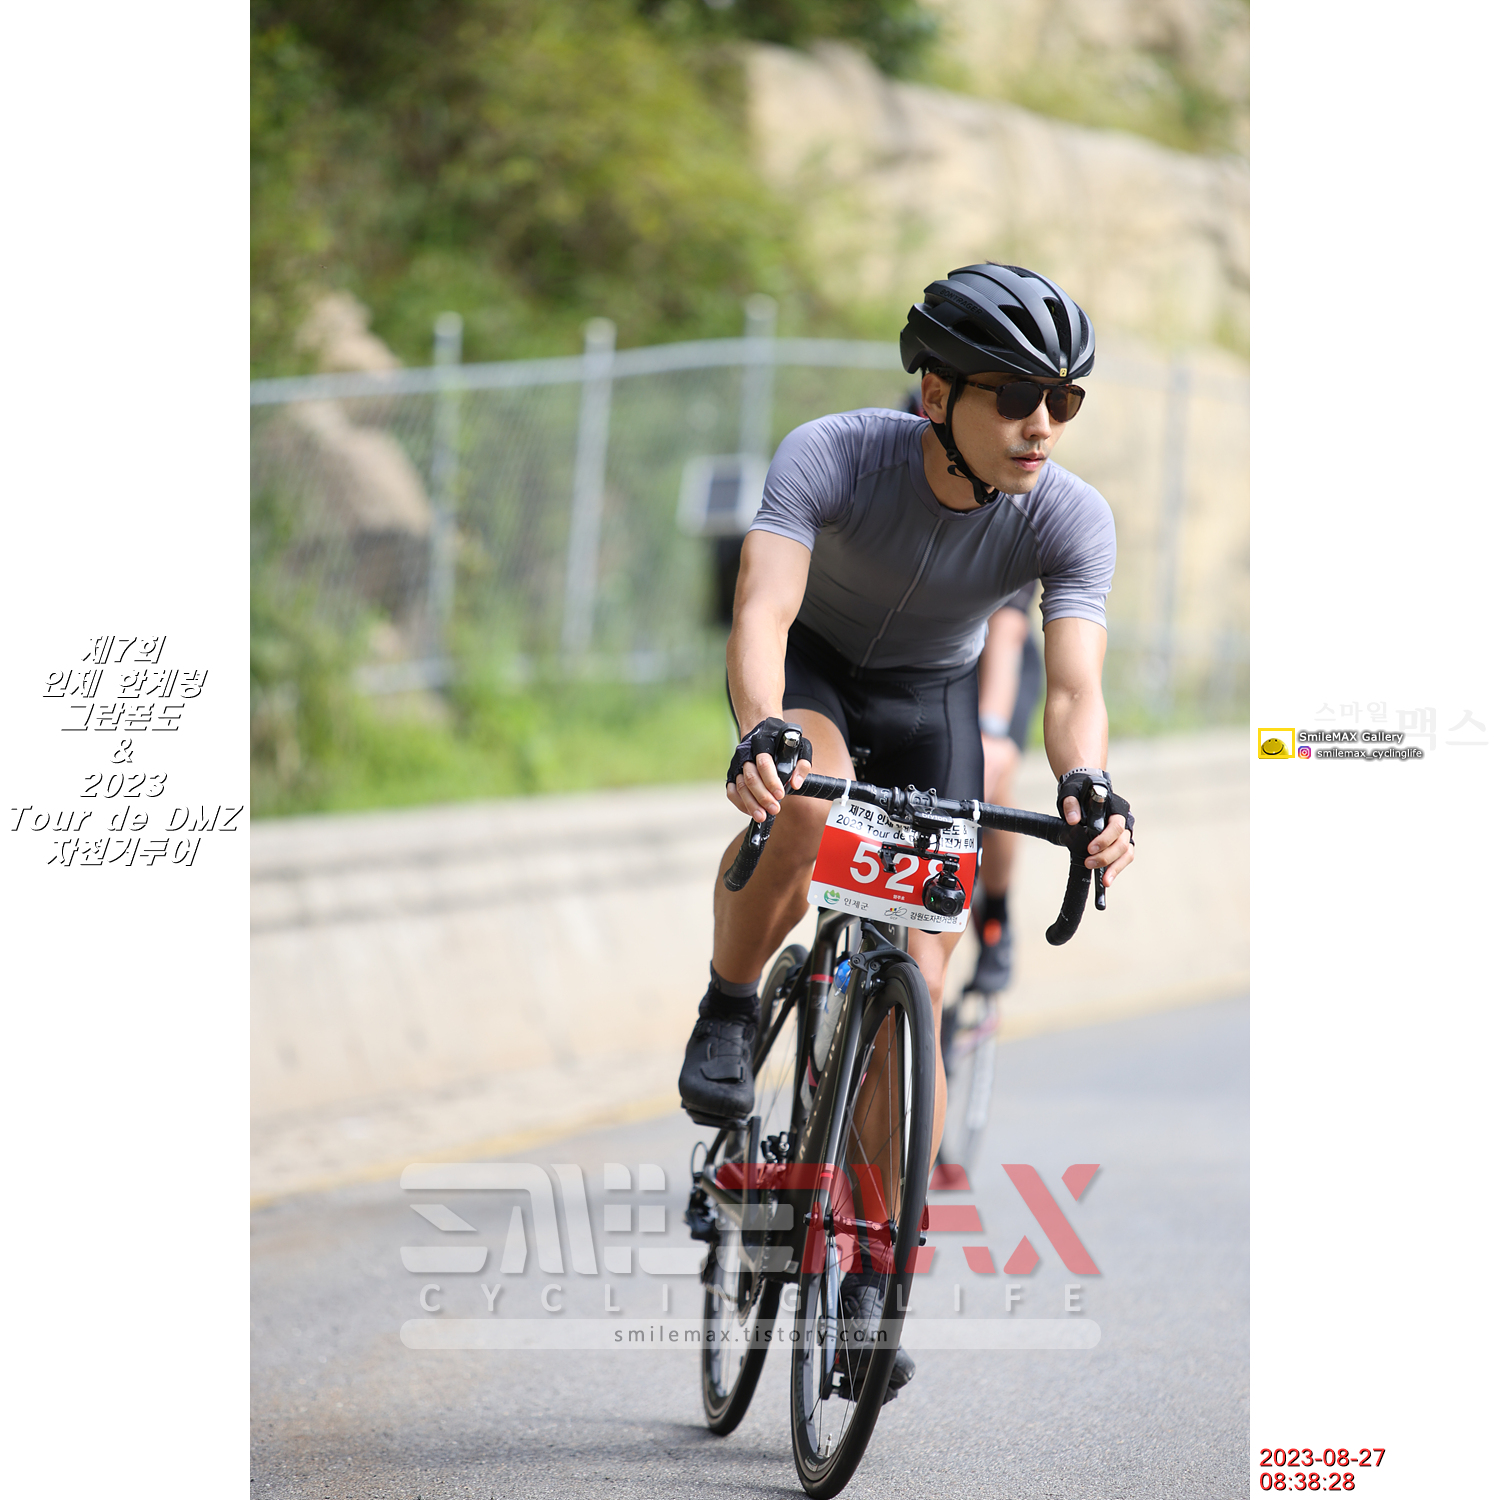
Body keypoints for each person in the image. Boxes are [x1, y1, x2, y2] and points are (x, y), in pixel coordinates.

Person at [677, 262, 1137, 1395]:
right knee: (811, 804)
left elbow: (1073, 688)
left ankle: (873, 1269)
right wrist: (763, 726)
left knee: (917, 992)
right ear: (936, 394)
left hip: (933, 707)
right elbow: (763, 610)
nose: (1043, 424)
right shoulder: (834, 454)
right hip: (816, 679)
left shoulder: (1070, 515)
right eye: (1016, 396)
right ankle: (730, 1006)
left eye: (1064, 399)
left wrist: (1088, 782)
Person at [967, 583, 1043, 993]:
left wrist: (991, 732)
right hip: (928, 647)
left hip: (1000, 657)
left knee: (988, 782)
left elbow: (1007, 627)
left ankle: (996, 920)